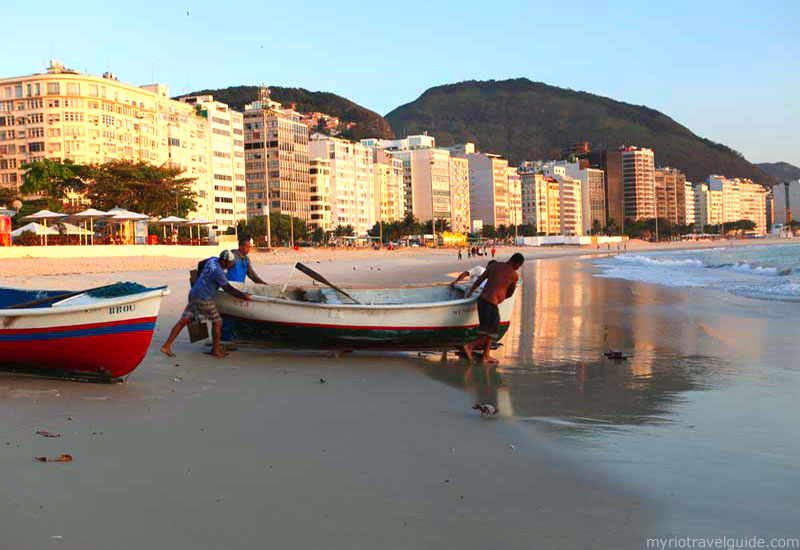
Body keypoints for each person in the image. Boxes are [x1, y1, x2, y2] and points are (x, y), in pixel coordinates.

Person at [161, 250, 252, 359]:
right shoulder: (219, 273)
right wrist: (243, 296)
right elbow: (227, 288)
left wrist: (200, 280)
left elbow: (201, 263)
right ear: (224, 261)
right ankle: (216, 350)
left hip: (194, 293)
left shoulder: (213, 260)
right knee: (217, 322)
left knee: (183, 321)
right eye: (229, 265)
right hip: (204, 299)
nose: (230, 267)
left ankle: (166, 346)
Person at [462, 253, 525, 364]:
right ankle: (469, 346)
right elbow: (510, 293)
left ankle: (486, 356)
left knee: (486, 330)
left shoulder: (494, 266)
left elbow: (480, 280)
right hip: (490, 304)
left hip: (482, 300)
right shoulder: (514, 275)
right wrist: (501, 297)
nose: (518, 268)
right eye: (519, 266)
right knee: (493, 331)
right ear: (516, 263)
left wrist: (471, 291)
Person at [221, 236, 265, 343]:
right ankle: (224, 338)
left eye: (250, 247)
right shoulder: (232, 257)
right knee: (228, 315)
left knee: (237, 314)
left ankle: (233, 336)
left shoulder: (246, 259)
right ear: (240, 246)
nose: (249, 249)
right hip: (230, 289)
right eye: (247, 246)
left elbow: (252, 275)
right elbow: (221, 268)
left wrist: (264, 285)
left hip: (240, 289)